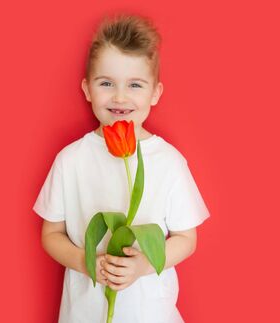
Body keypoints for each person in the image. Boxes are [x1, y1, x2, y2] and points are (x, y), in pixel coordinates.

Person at [33, 13, 210, 323]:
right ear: (87, 89)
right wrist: (86, 262)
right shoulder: (70, 160)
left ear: (155, 93)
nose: (120, 97)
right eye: (106, 83)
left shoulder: (169, 162)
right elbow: (51, 234)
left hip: (151, 314)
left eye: (135, 85)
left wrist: (144, 264)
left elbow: (187, 239)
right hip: (84, 315)